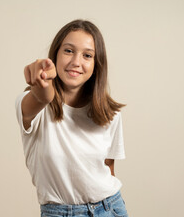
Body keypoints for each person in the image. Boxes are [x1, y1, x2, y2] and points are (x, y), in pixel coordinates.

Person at [15, 19, 128, 217]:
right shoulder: (34, 105)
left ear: (96, 64)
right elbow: (44, 96)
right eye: (68, 51)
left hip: (110, 208)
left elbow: (108, 167)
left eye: (87, 55)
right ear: (55, 54)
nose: (76, 62)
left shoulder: (110, 114)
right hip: (60, 212)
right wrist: (42, 78)